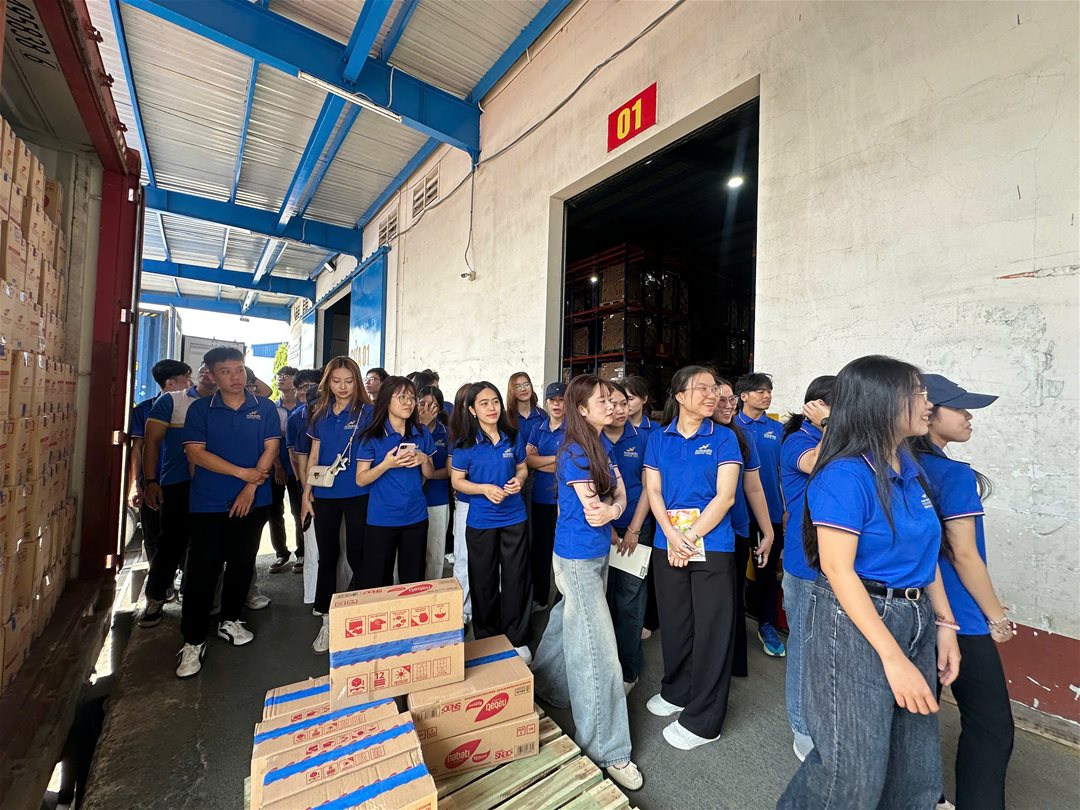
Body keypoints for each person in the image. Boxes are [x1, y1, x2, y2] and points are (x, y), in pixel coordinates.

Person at [778, 355, 961, 809]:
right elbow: (838, 571)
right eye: (917, 393)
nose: (928, 403)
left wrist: (945, 624)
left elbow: (926, 553)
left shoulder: (908, 466)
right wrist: (892, 657)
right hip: (855, 622)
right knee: (851, 770)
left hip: (915, 616)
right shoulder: (845, 474)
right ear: (880, 402)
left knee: (914, 763)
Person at [532, 375, 643, 792]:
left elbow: (618, 499)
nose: (612, 407)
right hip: (577, 558)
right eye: (603, 401)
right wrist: (612, 509)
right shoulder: (575, 452)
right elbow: (597, 507)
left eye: (614, 400)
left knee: (569, 619)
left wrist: (613, 510)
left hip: (594, 553)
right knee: (598, 652)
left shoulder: (601, 446)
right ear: (581, 409)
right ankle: (607, 749)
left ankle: (544, 685)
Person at [910, 374, 1013, 810]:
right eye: (959, 408)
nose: (969, 416)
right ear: (928, 412)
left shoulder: (902, 467)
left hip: (915, 613)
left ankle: (923, 798)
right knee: (992, 727)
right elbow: (965, 556)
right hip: (962, 619)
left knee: (915, 720)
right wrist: (997, 618)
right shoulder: (952, 475)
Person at [642, 365, 743, 751]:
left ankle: (705, 719)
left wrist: (690, 535)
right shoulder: (658, 438)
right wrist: (672, 535)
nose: (712, 395)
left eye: (714, 389)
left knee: (712, 629)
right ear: (679, 396)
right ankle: (677, 690)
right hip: (669, 541)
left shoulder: (724, 438)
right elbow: (654, 491)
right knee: (676, 620)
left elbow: (726, 496)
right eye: (702, 388)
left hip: (712, 544)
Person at [175, 347, 280, 678]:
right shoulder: (201, 410)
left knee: (242, 562)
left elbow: (271, 448)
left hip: (254, 500)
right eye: (226, 371)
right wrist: (242, 473)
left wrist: (250, 487)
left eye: (240, 369)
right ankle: (193, 640)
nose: (235, 377)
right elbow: (196, 453)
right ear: (211, 374)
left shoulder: (263, 407)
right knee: (203, 569)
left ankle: (231, 619)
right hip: (209, 503)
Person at [449, 381, 531, 660]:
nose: (492, 407)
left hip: (514, 517)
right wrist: (484, 488)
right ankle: (487, 637)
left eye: (495, 401)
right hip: (481, 520)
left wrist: (519, 481)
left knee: (515, 577)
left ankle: (517, 637)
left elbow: (522, 468)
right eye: (484, 403)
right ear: (473, 410)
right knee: (483, 580)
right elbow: (457, 481)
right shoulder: (465, 444)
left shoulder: (512, 435)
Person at [779, 374, 836, 761]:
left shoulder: (834, 436)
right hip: (805, 562)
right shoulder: (799, 441)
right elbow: (820, 463)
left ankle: (825, 717)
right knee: (804, 645)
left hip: (836, 561)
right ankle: (801, 725)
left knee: (828, 648)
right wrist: (829, 424)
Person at [303, 357, 373, 654]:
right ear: (327, 383)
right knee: (327, 555)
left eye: (348, 381)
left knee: (359, 554)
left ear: (357, 382)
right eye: (336, 381)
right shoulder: (319, 413)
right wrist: (306, 493)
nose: (342, 387)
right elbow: (314, 454)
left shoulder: (369, 412)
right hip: (326, 494)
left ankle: (363, 614)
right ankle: (327, 619)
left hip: (360, 492)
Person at [139, 363, 217, 627]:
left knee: (206, 545)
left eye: (217, 370)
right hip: (177, 483)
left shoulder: (230, 403)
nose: (207, 373)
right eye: (204, 368)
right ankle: (155, 597)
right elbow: (151, 442)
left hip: (215, 484)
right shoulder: (172, 401)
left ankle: (195, 597)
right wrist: (151, 481)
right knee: (171, 542)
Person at [711, 378, 774, 679]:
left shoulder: (741, 436)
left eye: (731, 399)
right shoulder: (684, 437)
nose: (728, 405)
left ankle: (731, 665)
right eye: (720, 400)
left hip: (735, 531)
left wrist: (768, 531)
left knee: (732, 600)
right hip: (694, 534)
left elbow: (754, 488)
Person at [356, 377, 435, 587]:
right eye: (402, 397)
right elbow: (361, 479)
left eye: (412, 397)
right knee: (378, 581)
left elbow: (429, 473)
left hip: (416, 516)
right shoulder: (372, 435)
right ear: (386, 400)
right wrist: (386, 464)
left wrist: (424, 459)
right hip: (382, 518)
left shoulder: (421, 432)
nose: (409, 402)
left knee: (413, 580)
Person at [601, 380, 653, 692]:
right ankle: (605, 665)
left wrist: (633, 529)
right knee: (603, 596)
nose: (619, 409)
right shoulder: (591, 440)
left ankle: (628, 671)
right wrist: (608, 527)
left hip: (637, 526)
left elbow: (650, 488)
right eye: (611, 403)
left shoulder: (645, 438)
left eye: (624, 403)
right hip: (601, 530)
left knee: (630, 598)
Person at [734, 372, 787, 657]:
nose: (767, 396)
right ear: (743, 396)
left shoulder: (777, 430)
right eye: (760, 391)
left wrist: (788, 508)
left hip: (772, 512)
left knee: (767, 573)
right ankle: (733, 627)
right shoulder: (730, 426)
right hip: (736, 512)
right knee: (734, 571)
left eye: (769, 391)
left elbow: (785, 472)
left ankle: (767, 624)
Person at [129, 359, 191, 566]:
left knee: (183, 534)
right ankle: (158, 579)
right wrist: (136, 485)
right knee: (154, 534)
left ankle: (182, 577)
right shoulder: (144, 409)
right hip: (154, 481)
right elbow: (138, 448)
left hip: (181, 481)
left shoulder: (191, 407)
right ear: (170, 383)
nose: (190, 383)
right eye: (186, 379)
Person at [623, 374, 659, 637]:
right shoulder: (615, 429)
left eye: (630, 399)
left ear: (644, 399)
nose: (624, 405)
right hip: (623, 511)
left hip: (651, 510)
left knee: (647, 570)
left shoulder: (655, 431)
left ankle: (648, 619)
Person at [525, 382, 566, 611]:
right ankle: (540, 599)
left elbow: (568, 464)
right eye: (552, 400)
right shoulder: (538, 428)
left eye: (561, 400)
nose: (556, 404)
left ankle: (563, 602)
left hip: (565, 500)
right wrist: (556, 459)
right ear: (546, 403)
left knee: (563, 552)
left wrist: (542, 461)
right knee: (540, 549)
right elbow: (529, 461)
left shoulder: (574, 429)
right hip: (540, 498)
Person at [283, 368, 323, 573]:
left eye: (307, 386)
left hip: (334, 482)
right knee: (306, 521)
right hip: (307, 479)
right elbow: (294, 456)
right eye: (298, 388)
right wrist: (303, 485)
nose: (302, 392)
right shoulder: (295, 418)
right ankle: (305, 555)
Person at [268, 365, 301, 573]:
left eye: (286, 376)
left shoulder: (304, 406)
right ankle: (281, 553)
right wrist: (277, 466)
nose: (281, 378)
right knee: (274, 512)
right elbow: (269, 440)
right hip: (275, 467)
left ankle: (302, 553)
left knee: (299, 511)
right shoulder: (272, 408)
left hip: (298, 468)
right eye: (279, 375)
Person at [417, 385, 451, 580]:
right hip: (411, 499)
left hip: (437, 498)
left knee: (435, 553)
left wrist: (428, 474)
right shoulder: (408, 430)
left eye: (433, 405)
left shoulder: (447, 433)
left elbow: (449, 471)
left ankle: (433, 591)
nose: (427, 409)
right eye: (422, 403)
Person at [506, 371, 547, 533]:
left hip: (540, 473)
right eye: (517, 386)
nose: (523, 389)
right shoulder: (506, 418)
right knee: (519, 523)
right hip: (515, 474)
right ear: (512, 391)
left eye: (526, 384)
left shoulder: (542, 415)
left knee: (537, 522)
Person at [447, 383, 474, 625]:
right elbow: (455, 476)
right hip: (466, 504)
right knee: (463, 557)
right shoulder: (456, 435)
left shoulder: (497, 433)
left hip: (495, 505)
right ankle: (462, 611)